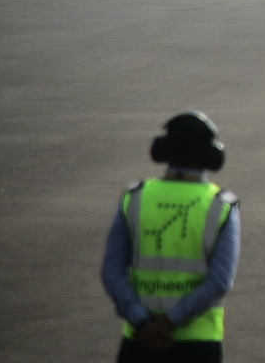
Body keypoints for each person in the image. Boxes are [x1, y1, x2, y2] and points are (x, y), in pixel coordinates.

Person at [101, 111, 240, 361]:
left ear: (162, 150)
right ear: (212, 155)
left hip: (139, 339)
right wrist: (170, 322)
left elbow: (112, 271)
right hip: (198, 343)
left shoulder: (135, 197)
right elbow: (220, 281)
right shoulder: (221, 205)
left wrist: (143, 323)